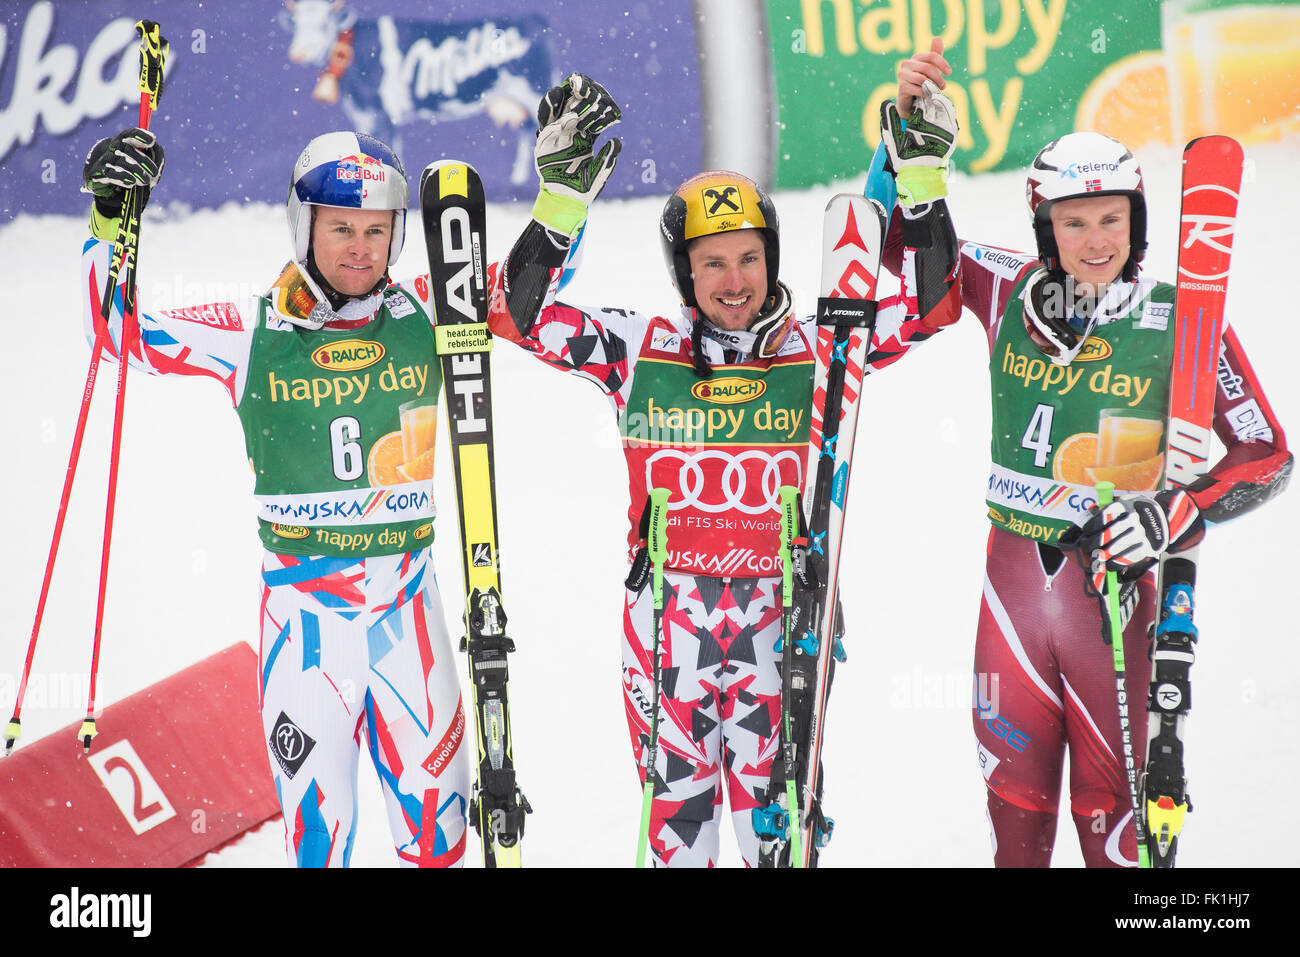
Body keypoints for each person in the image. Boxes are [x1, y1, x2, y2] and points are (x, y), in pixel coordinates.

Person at [486, 74, 961, 866]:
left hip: (781, 631)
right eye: (712, 264)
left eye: (749, 258)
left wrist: (921, 184)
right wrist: (560, 207)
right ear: (684, 272)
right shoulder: (640, 350)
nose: (735, 281)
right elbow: (515, 315)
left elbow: (933, 306)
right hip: (665, 635)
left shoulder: (823, 349)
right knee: (678, 844)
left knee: (775, 845)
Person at [880, 41, 1292, 866]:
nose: (1096, 240)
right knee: (1016, 823)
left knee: (1114, 831)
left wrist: (1175, 513)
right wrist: (910, 155)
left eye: (1112, 218)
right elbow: (901, 256)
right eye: (1073, 222)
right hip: (1010, 605)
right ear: (1045, 228)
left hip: (1118, 607)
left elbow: (1267, 453)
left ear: (1137, 223)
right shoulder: (1003, 285)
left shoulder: (1182, 317)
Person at [80, 127, 469, 867]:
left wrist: (563, 201)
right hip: (307, 626)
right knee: (320, 844)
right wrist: (109, 220)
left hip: (408, 615)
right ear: (303, 225)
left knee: (440, 839)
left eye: (377, 231)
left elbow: (520, 297)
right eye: (341, 228)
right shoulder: (252, 328)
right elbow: (119, 332)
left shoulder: (427, 310)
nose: (361, 249)